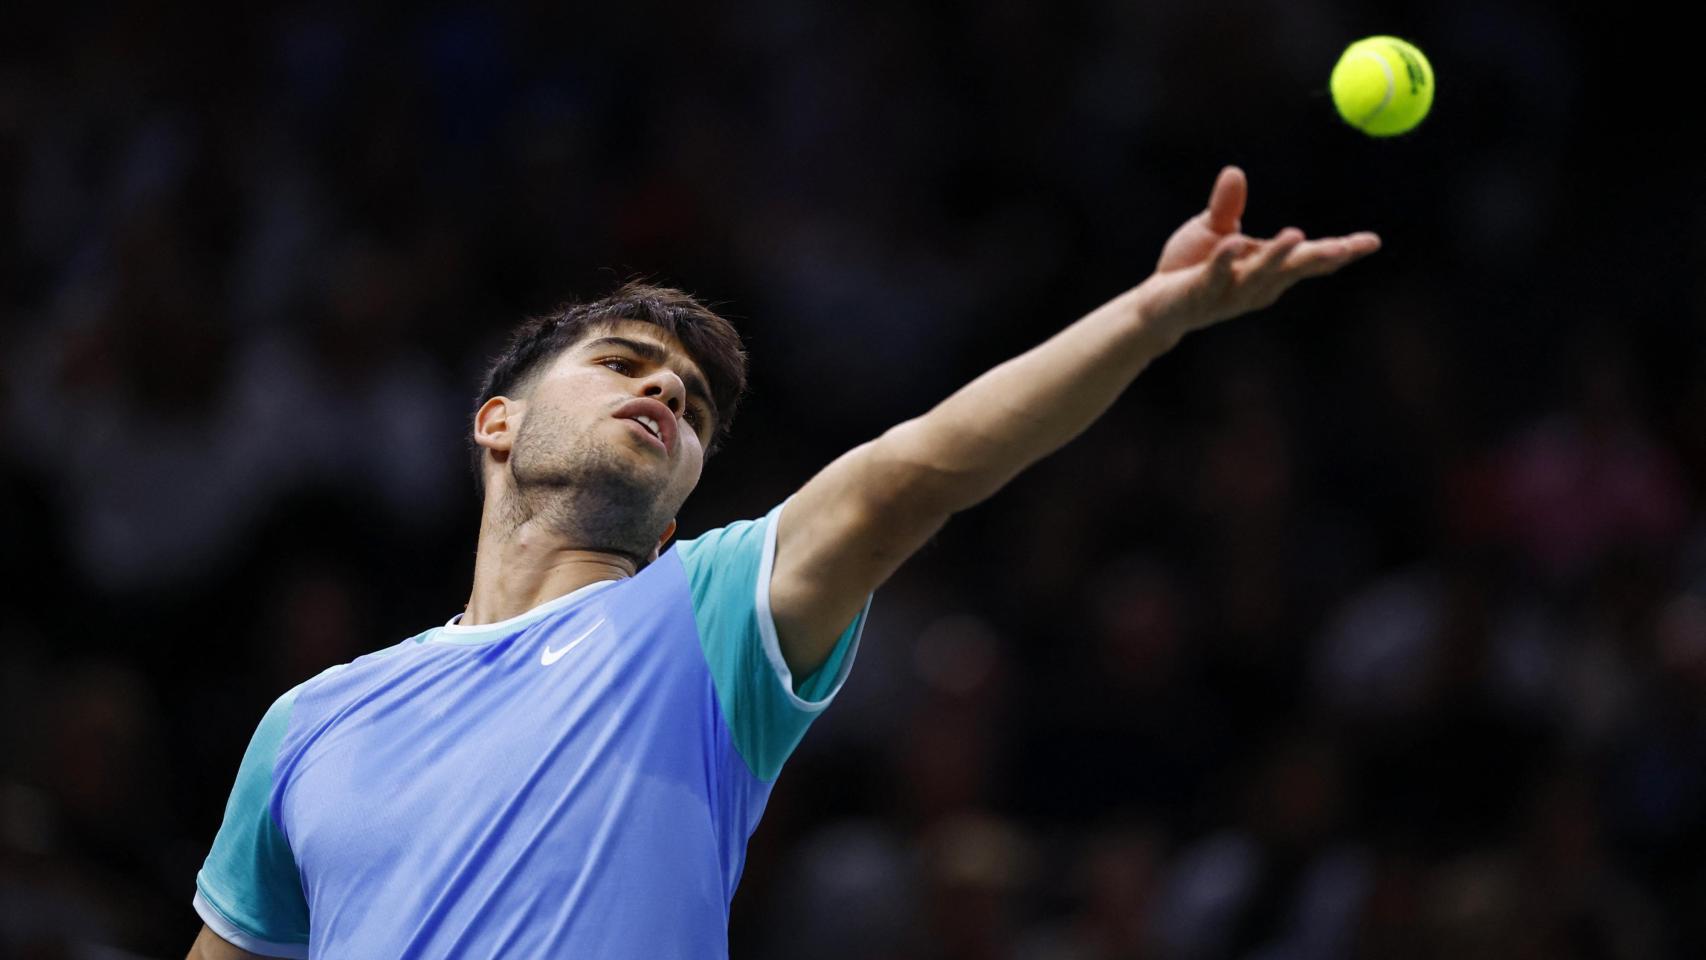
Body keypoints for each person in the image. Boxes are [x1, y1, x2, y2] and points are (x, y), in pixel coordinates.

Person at [186, 167, 1379, 959]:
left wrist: (1146, 318)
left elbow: (913, 472)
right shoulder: (310, 723)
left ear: (673, 522)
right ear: (496, 421)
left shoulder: (700, 618)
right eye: (622, 363)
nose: (665, 389)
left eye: (694, 402)